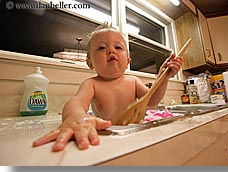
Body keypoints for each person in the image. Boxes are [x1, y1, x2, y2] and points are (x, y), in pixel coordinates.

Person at [32, 23, 183, 152]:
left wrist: (163, 77)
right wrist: (77, 117)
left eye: (118, 47)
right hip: (107, 136)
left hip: (135, 135)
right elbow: (77, 102)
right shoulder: (92, 84)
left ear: (128, 61)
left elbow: (152, 100)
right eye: (102, 48)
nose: (111, 50)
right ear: (90, 63)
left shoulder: (133, 81)